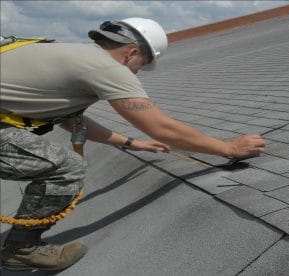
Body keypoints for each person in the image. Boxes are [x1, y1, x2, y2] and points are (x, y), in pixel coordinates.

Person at [0, 18, 265, 271]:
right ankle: (21, 250)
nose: (137, 72)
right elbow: (162, 127)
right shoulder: (106, 67)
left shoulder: (70, 55)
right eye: (141, 65)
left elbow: (72, 120)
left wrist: (131, 143)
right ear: (132, 52)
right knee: (68, 168)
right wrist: (228, 149)